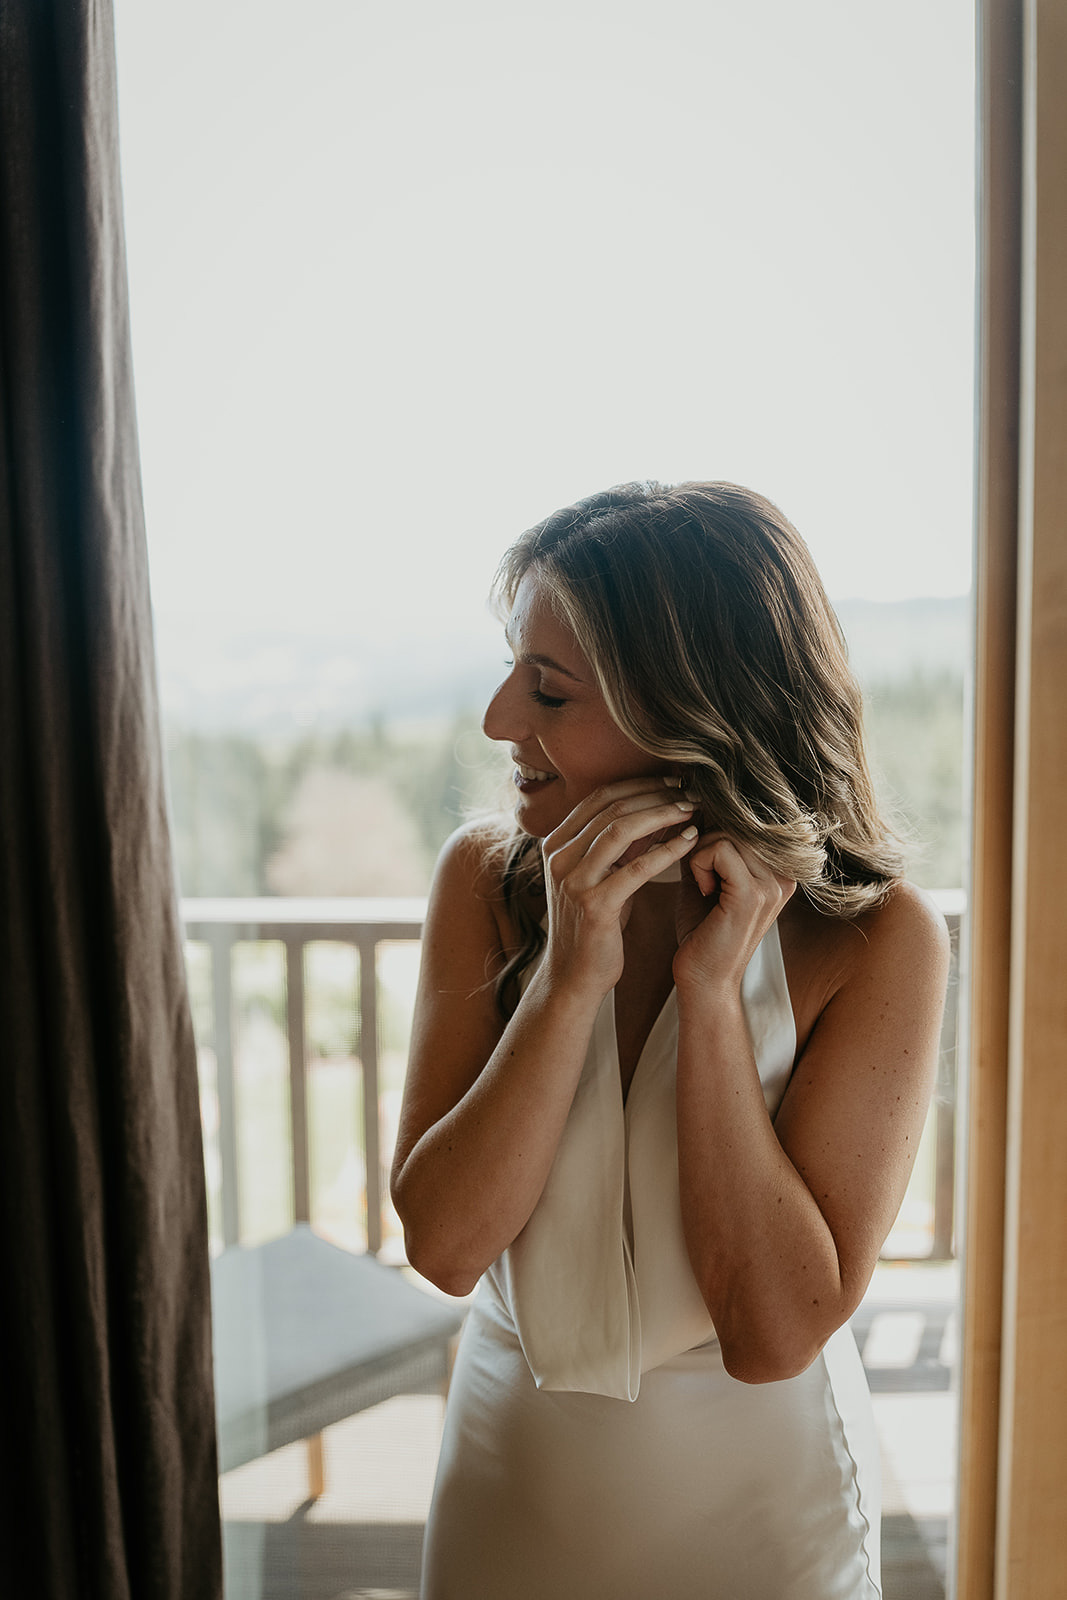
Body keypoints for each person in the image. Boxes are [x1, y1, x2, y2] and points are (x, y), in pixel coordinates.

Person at [391, 481, 950, 1600]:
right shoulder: (486, 880)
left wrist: (710, 998)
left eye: (548, 690)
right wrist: (568, 980)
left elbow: (773, 1335)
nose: (499, 719)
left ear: (692, 711)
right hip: (509, 1487)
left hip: (760, 1521)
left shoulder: (877, 937)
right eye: (511, 671)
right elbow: (445, 1249)